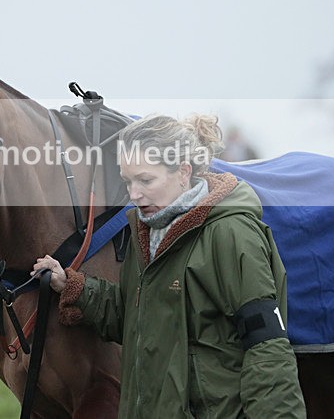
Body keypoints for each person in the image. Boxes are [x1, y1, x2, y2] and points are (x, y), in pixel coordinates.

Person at [33, 114, 306, 418]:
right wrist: (74, 287)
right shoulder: (148, 231)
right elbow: (138, 320)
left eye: (146, 180)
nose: (134, 195)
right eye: (128, 182)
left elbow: (266, 345)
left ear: (183, 172)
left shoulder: (231, 233)